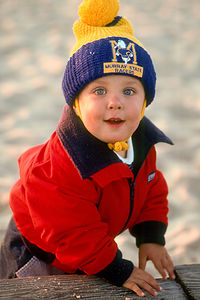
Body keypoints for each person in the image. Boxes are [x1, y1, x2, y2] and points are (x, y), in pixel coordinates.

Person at [0, 0, 175, 297]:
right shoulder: (60, 167)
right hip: (41, 254)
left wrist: (151, 236)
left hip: (93, 247)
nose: (115, 101)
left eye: (129, 91)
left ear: (145, 102)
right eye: (99, 90)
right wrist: (118, 269)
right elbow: (72, 233)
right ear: (76, 104)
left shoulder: (140, 141)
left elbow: (151, 186)